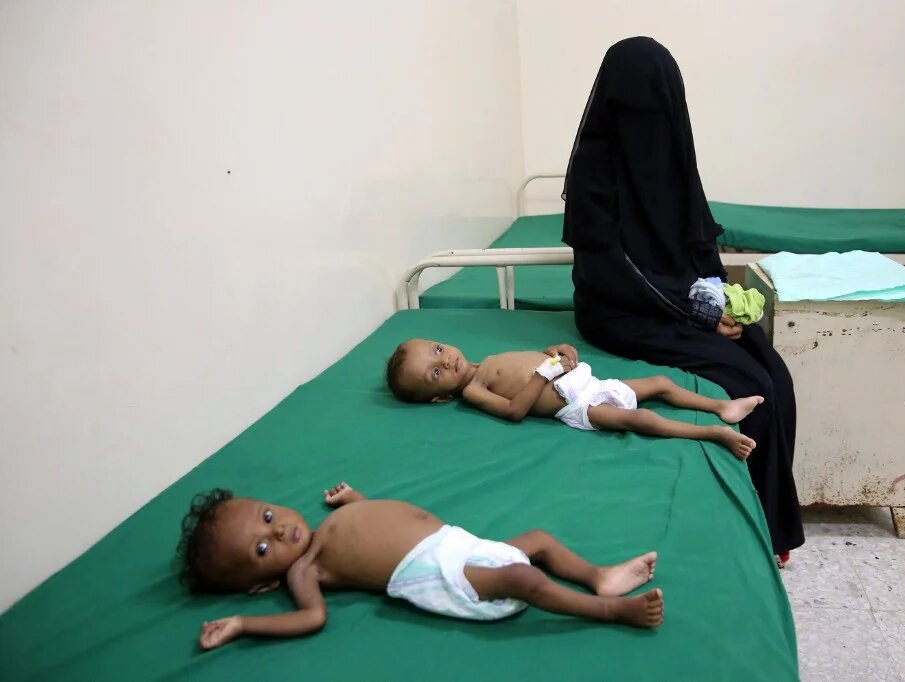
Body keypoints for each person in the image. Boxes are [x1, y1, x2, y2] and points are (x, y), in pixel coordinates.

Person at [561, 36, 804, 562]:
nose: (650, 121)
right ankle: (756, 530)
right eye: (638, 109)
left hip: (681, 301)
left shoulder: (673, 153)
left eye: (660, 107)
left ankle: (773, 520)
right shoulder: (593, 172)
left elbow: (698, 237)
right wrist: (696, 311)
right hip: (618, 310)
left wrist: (719, 294)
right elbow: (612, 270)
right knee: (749, 383)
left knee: (775, 375)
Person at [178, 483, 665, 650]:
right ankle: (610, 611)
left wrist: (354, 500)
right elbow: (311, 617)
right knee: (522, 578)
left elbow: (375, 523)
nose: (280, 531)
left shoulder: (326, 526)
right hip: (435, 573)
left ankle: (598, 576)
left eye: (268, 517)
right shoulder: (305, 569)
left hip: (454, 542)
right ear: (261, 585)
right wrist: (242, 625)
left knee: (537, 540)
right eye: (263, 550)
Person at [386, 338, 763, 459]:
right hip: (576, 406)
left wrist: (554, 352)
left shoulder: (489, 359)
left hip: (585, 382)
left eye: (437, 350)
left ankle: (721, 406)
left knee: (661, 383)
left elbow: (533, 361)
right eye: (435, 374)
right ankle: (714, 433)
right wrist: (544, 374)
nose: (445, 361)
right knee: (639, 419)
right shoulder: (472, 390)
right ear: (438, 398)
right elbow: (515, 411)